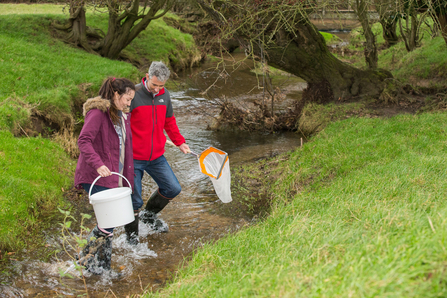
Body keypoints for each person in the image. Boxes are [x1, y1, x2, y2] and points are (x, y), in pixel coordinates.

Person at [74, 77, 135, 274]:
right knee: (108, 223)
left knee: (109, 223)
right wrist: (98, 164)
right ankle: (98, 266)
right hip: (95, 175)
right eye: (127, 98)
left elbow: (123, 150)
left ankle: (89, 262)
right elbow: (83, 141)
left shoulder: (119, 115)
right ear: (116, 95)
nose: (129, 103)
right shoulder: (98, 113)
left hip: (113, 177)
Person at [126, 61, 190, 243]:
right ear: (147, 77)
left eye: (161, 86)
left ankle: (148, 216)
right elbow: (120, 126)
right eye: (154, 85)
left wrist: (180, 142)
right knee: (134, 201)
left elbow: (169, 122)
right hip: (133, 158)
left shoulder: (165, 95)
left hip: (156, 157)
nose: (157, 89)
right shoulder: (133, 95)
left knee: (172, 188)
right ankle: (132, 240)